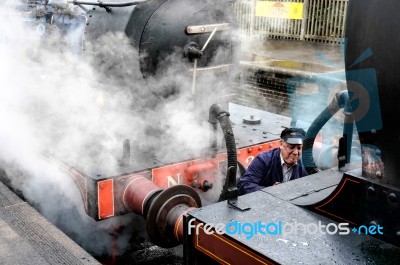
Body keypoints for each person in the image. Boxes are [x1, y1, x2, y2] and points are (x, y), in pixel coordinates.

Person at [237, 127, 308, 195]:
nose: (295, 152)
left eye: (299, 148)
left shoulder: (305, 164)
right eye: (291, 147)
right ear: (281, 144)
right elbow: (244, 185)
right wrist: (271, 191)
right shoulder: (263, 160)